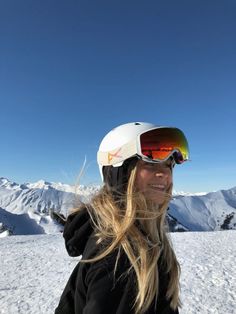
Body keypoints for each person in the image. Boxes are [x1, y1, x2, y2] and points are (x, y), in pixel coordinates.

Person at [55, 122, 189, 314]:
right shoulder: (120, 261)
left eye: (169, 164)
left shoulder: (137, 239)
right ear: (120, 173)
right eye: (151, 162)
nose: (165, 173)